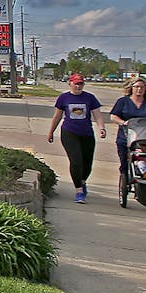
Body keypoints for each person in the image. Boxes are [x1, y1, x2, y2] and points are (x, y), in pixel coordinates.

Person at [47, 73, 107, 203]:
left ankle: (82, 181)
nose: (78, 86)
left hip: (86, 133)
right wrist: (51, 132)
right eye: (76, 83)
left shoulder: (90, 98)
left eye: (81, 84)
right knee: (76, 161)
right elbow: (57, 116)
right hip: (69, 132)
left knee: (87, 164)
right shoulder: (64, 98)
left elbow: (97, 115)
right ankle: (79, 191)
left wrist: (102, 128)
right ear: (70, 84)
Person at [109, 78, 146, 175]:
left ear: (145, 89)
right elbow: (113, 116)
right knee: (125, 163)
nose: (139, 89)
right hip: (127, 138)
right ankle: (125, 180)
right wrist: (123, 122)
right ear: (131, 88)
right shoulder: (123, 101)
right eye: (137, 87)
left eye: (142, 87)